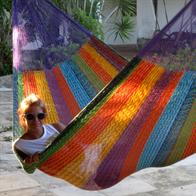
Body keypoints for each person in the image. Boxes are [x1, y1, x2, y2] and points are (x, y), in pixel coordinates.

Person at [13, 93, 65, 164]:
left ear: (45, 115)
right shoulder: (19, 145)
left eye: (40, 116)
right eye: (30, 117)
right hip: (57, 172)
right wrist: (29, 162)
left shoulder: (57, 127)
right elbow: (28, 169)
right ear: (23, 118)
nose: (36, 120)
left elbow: (77, 145)